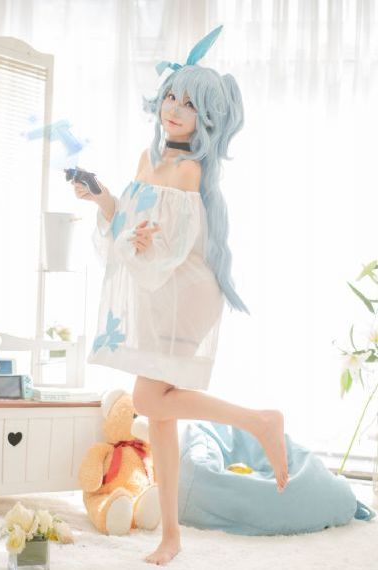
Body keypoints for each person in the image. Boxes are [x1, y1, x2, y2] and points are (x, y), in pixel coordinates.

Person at [72, 24, 289, 567]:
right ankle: (171, 537)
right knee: (161, 419)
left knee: (148, 401)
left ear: (206, 119)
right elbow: (129, 225)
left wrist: (145, 240)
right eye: (172, 96)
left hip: (185, 293)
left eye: (190, 105)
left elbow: (172, 247)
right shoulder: (147, 161)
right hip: (157, 292)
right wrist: (101, 197)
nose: (175, 109)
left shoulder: (190, 170)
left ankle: (261, 421)